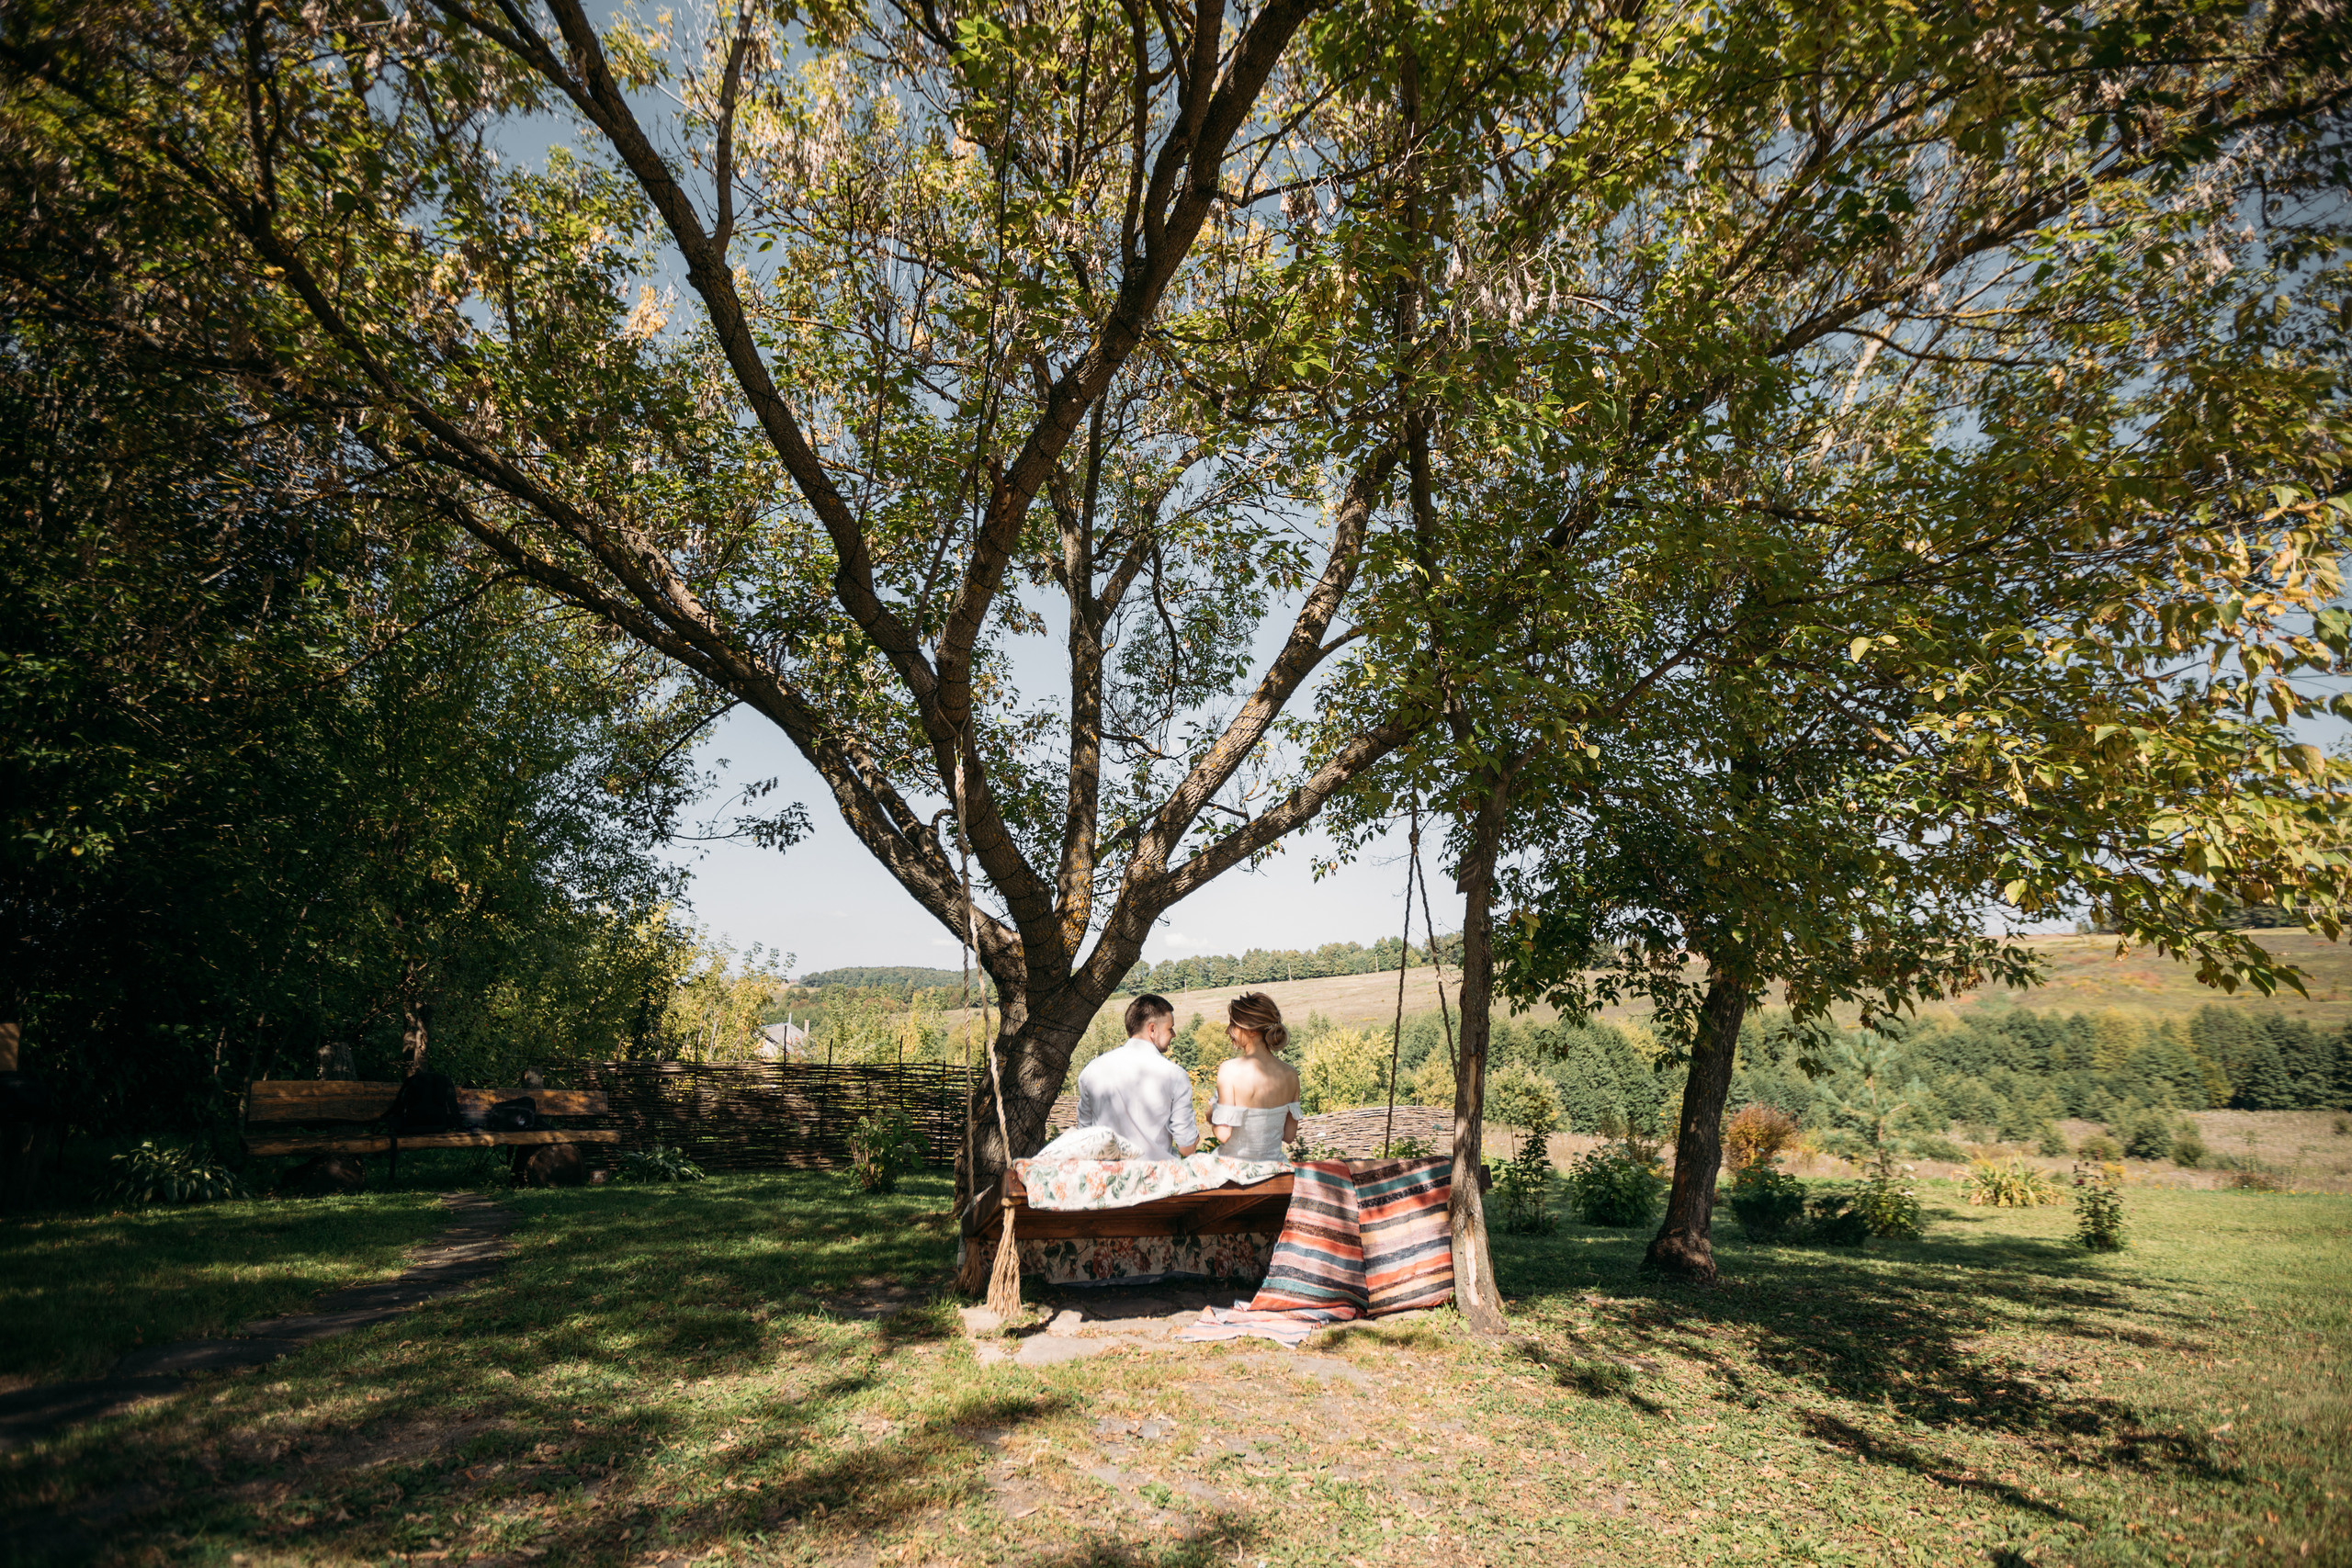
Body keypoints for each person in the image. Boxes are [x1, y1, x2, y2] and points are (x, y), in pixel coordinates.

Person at [1073, 993, 1199, 1161]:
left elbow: (1084, 1136)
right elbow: (1187, 1148)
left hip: (1106, 1180)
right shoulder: (1175, 1075)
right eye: (1170, 1028)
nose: (1174, 1035)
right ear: (1152, 1029)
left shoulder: (1090, 1071)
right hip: (1155, 1179)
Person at [1208, 992, 1301, 1162]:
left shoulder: (1229, 1070)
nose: (1228, 1031)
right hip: (1274, 1170)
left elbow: (1223, 1134)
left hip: (1236, 1171)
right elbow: (1289, 1136)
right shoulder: (1291, 1073)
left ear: (1251, 1030)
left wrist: (1212, 1112)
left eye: (1232, 1024)